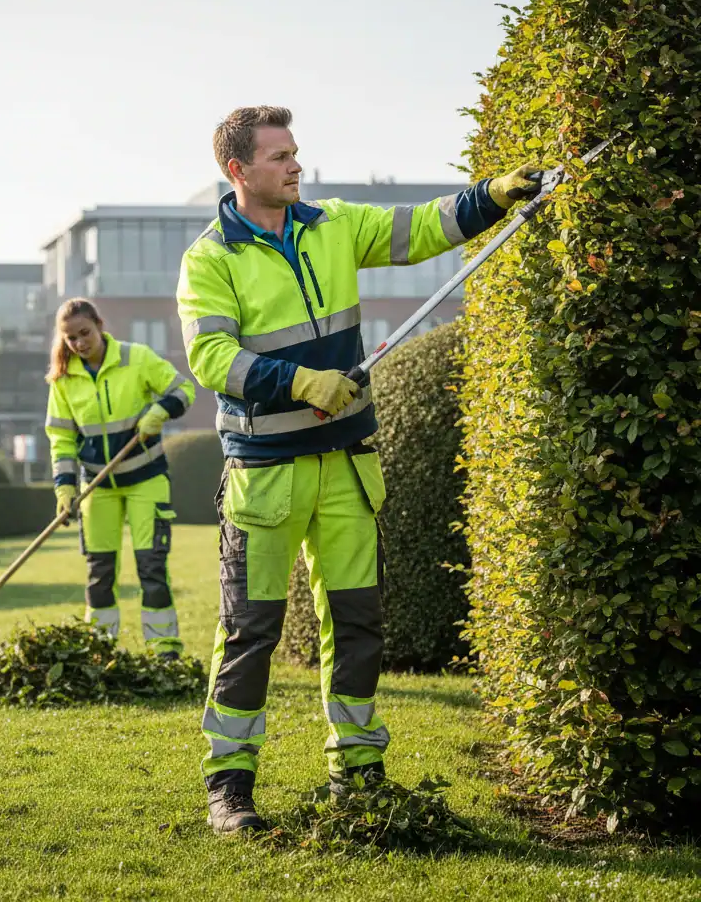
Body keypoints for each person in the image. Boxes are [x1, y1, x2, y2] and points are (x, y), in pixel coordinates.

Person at [176, 105, 542, 834]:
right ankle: (230, 787)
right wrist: (301, 382)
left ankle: (359, 771)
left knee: (357, 625)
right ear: (238, 170)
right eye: (280, 156)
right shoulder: (210, 258)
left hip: (346, 464)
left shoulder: (332, 224)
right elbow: (211, 357)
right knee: (250, 631)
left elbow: (417, 230)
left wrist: (491, 195)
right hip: (266, 477)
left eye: (296, 153)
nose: (295, 165)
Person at [45, 298, 196, 658]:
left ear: (100, 324)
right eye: (70, 339)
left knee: (151, 568)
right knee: (99, 574)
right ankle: (99, 652)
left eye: (85, 333)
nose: (79, 343)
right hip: (98, 488)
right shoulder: (63, 381)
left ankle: (164, 651)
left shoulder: (137, 357)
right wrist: (65, 489)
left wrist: (159, 411)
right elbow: (62, 440)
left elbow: (184, 390)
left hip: (147, 480)